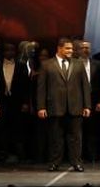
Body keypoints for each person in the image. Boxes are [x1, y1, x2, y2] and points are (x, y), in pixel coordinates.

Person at [36, 37, 92, 172]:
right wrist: (41, 107)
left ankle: (77, 162)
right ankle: (54, 162)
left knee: (76, 137)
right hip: (55, 106)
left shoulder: (78, 64)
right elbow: (41, 88)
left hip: (75, 106)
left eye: (71, 48)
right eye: (67, 48)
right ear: (59, 48)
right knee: (56, 137)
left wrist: (87, 105)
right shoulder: (47, 65)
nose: (70, 51)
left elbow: (85, 86)